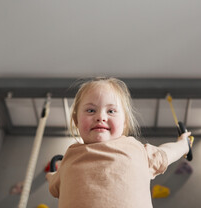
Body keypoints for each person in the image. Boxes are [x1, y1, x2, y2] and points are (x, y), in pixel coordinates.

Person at [46, 77, 192, 208]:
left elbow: (166, 153)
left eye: (111, 111)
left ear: (124, 122)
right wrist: (51, 174)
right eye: (91, 110)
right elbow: (55, 182)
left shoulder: (134, 149)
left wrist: (183, 144)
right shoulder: (70, 157)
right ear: (76, 120)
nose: (100, 117)